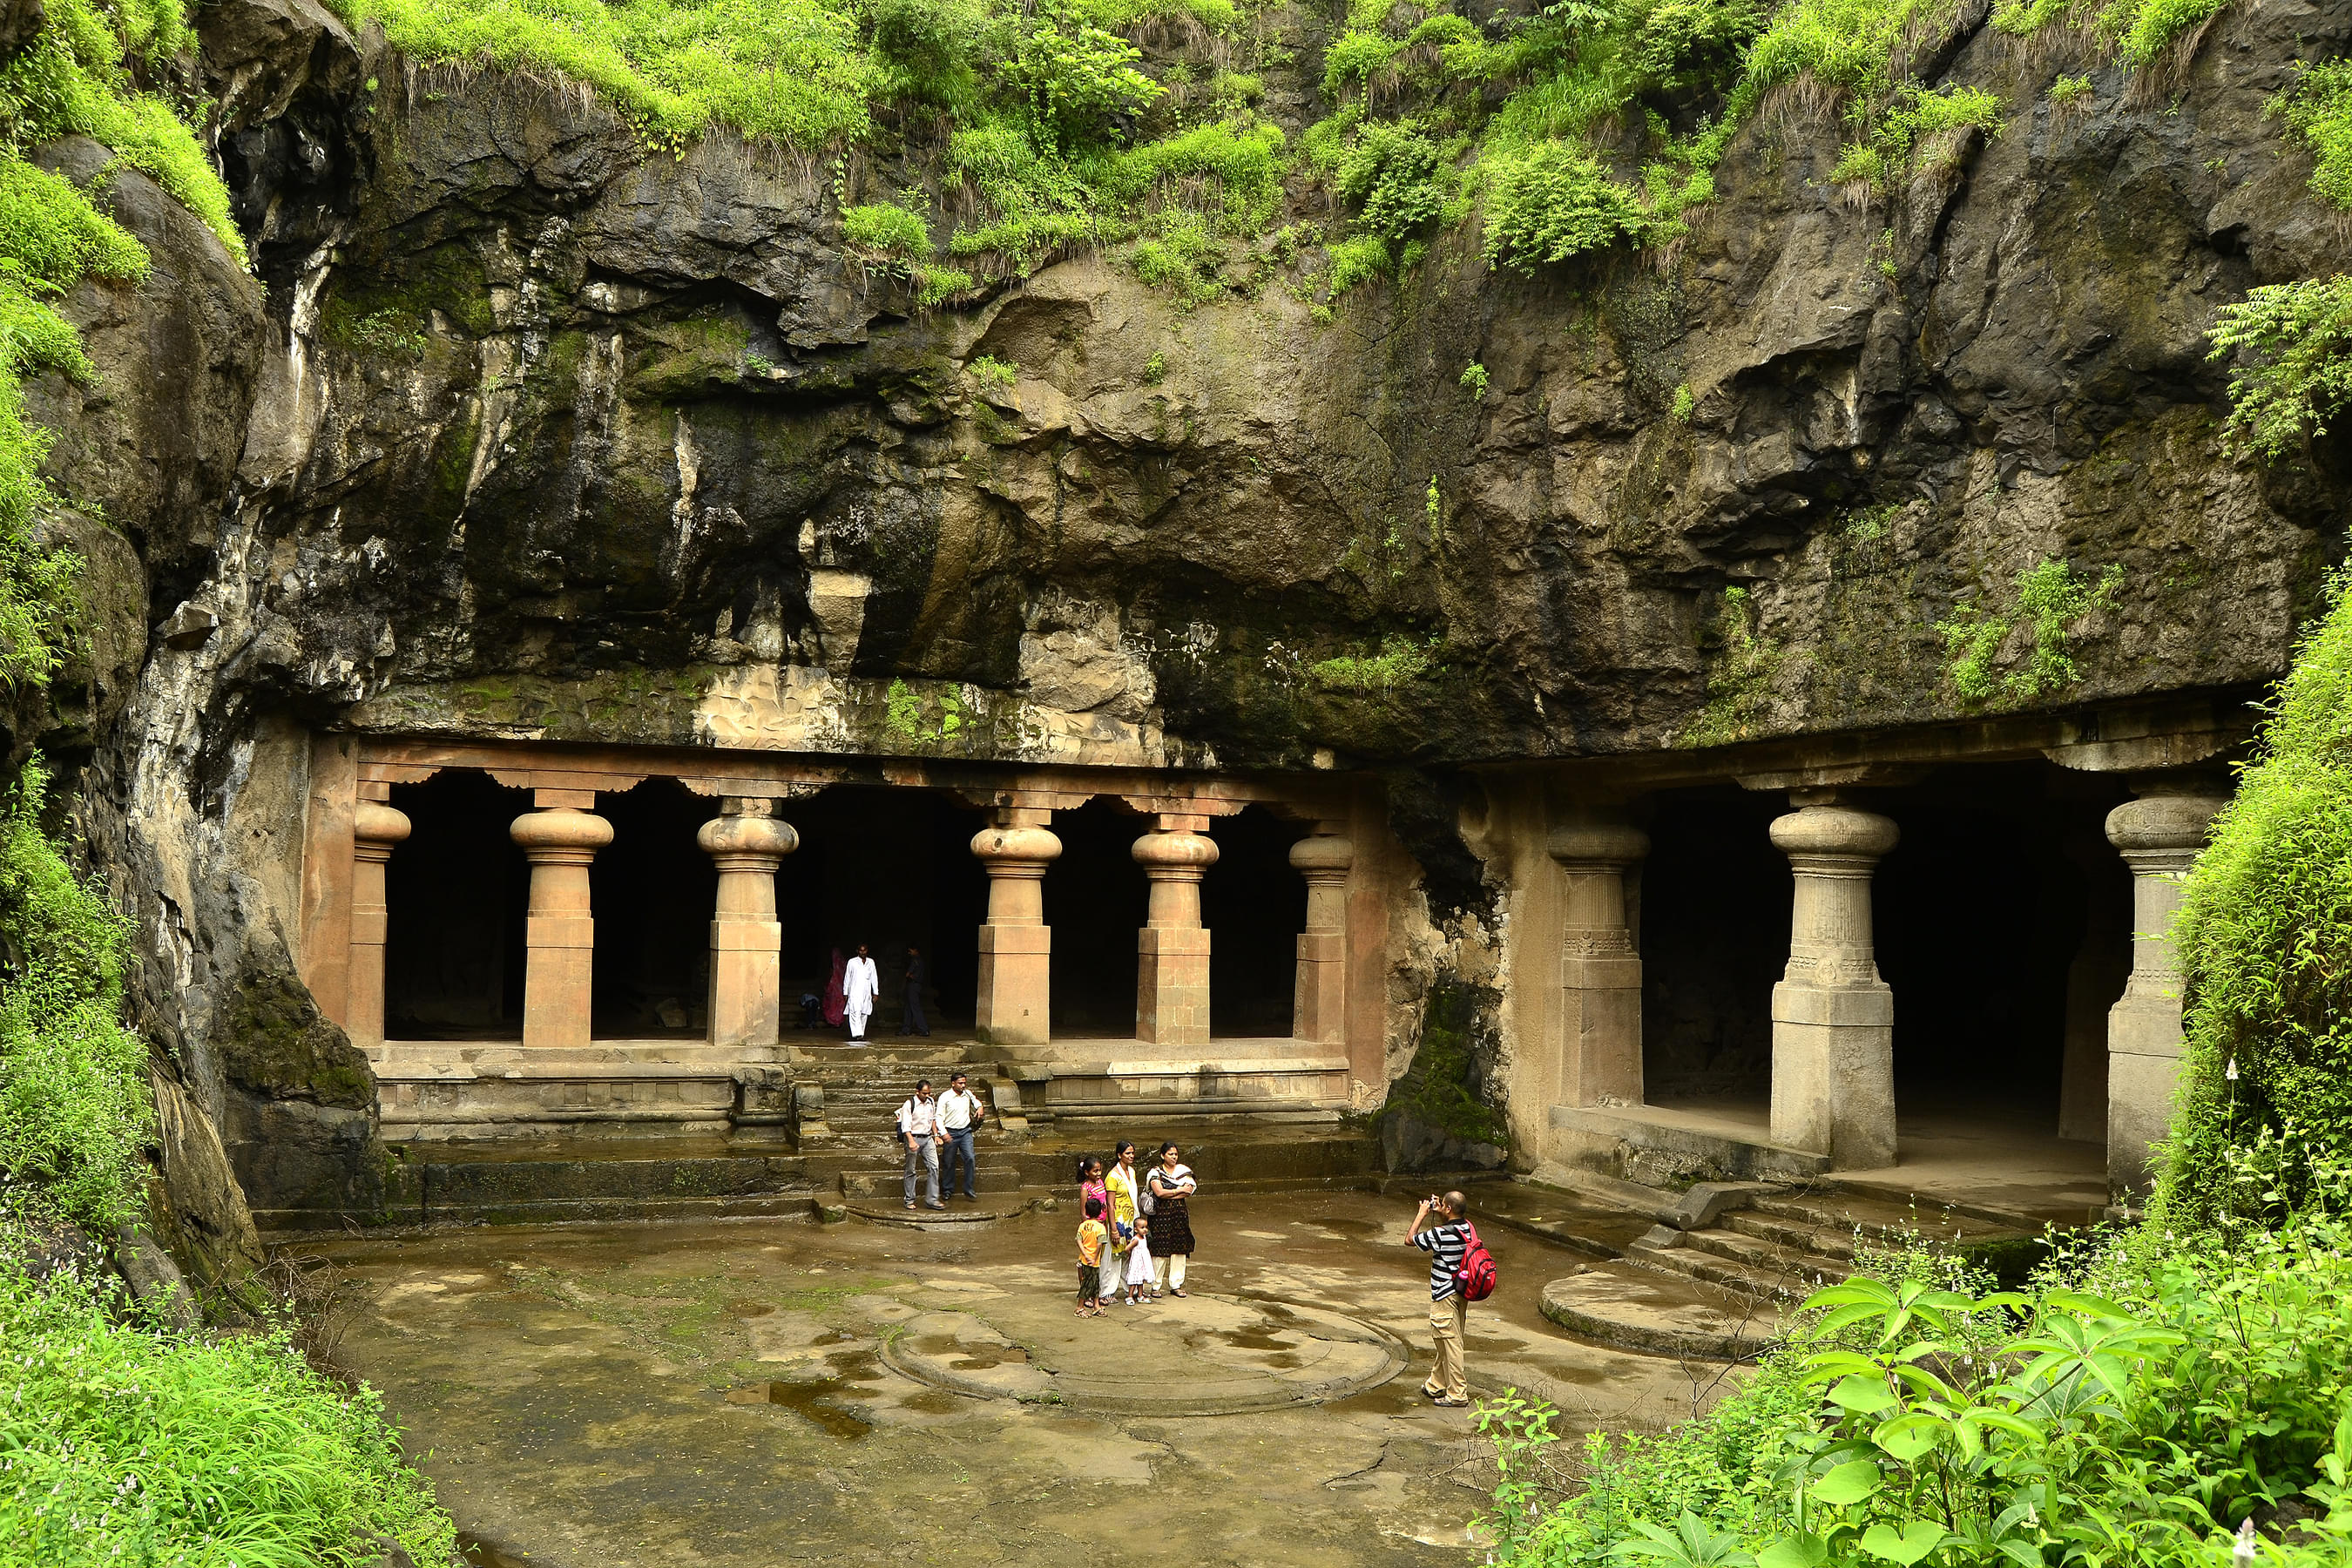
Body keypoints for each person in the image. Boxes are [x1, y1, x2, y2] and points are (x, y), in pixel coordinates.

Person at [1407, 1189, 1474, 1407]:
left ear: (1448, 1209)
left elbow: (1410, 1239)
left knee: (1449, 1343)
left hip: (1444, 1294)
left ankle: (1457, 1394)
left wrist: (1422, 1214)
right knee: (1448, 1340)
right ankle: (1436, 1384)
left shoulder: (1441, 1234)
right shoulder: (1468, 1228)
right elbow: (1449, 1224)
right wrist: (1440, 1211)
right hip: (1461, 1292)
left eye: (1443, 1205)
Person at [1146, 1142, 1197, 1299]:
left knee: (1179, 1248)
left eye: (1175, 1154)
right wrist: (1178, 1189)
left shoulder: (1184, 1170)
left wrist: (1173, 1192)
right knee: (1160, 1248)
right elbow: (1159, 1192)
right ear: (1162, 1155)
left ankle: (1176, 1284)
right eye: (1170, 1154)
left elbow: (1188, 1191)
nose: (1174, 1157)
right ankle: (1155, 1285)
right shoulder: (1155, 1172)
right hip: (1160, 1215)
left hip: (1179, 1214)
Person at [895, 1078, 945, 1211]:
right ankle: (909, 1199)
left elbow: (932, 1120)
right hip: (913, 1137)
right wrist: (911, 1141)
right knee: (911, 1169)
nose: (927, 1096)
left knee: (934, 1166)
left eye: (929, 1093)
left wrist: (936, 1136)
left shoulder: (930, 1102)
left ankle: (932, 1199)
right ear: (917, 1092)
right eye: (924, 1093)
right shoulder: (909, 1104)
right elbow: (906, 1125)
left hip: (927, 1137)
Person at [936, 1071, 985, 1201]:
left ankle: (969, 1188)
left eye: (964, 1083)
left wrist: (980, 1107)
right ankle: (947, 1190)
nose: (963, 1085)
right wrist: (943, 1133)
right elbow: (939, 1116)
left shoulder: (967, 1094)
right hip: (950, 1132)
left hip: (965, 1131)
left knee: (970, 1157)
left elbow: (976, 1101)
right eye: (960, 1083)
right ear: (953, 1083)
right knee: (948, 1162)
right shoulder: (945, 1097)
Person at [1103, 1142, 1141, 1306]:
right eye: (1127, 1153)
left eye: (1132, 1153)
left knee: (1128, 1255)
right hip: (1118, 1221)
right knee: (1114, 1257)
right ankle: (1107, 1291)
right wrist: (1113, 1228)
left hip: (1130, 1220)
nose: (1131, 1156)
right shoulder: (1112, 1177)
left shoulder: (1131, 1172)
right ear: (1119, 1155)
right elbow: (1110, 1204)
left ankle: (1128, 1288)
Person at [1076, 1197, 1107, 1317]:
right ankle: (1079, 1308)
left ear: (1087, 1211)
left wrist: (1085, 1254)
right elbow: (1099, 1245)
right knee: (1087, 1284)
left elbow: (1079, 1241)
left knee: (1094, 1283)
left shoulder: (1083, 1226)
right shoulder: (1101, 1228)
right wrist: (1093, 1258)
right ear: (1100, 1212)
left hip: (1085, 1260)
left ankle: (1096, 1305)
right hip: (1094, 1261)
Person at [844, 944, 880, 1041]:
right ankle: (857, 1034)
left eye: (864, 950)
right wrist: (845, 992)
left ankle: (861, 1034)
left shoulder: (871, 962)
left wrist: (875, 992)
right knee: (855, 1012)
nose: (863, 952)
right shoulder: (852, 962)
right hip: (854, 992)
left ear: (867, 951)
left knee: (864, 1013)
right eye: (861, 950)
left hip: (866, 992)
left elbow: (874, 977)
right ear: (857, 951)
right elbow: (847, 977)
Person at [1123, 1212, 1154, 1306]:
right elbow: (1127, 1248)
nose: (1145, 1230)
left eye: (1146, 1227)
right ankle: (1130, 1296)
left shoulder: (1144, 1238)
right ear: (1136, 1230)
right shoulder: (1136, 1240)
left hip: (1143, 1262)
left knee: (1141, 1279)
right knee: (1134, 1280)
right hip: (1137, 1262)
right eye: (1142, 1228)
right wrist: (1132, 1255)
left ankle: (1140, 1295)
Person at [899, 946, 931, 1037]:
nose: (909, 953)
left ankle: (924, 1029)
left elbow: (908, 974)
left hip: (913, 985)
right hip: (916, 985)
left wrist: (909, 976)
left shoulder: (915, 960)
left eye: (910, 951)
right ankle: (906, 1029)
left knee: (915, 1008)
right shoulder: (920, 961)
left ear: (916, 950)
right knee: (908, 1007)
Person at [821, 948, 847, 1029]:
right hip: (835, 987)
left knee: (837, 1004)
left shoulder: (842, 966)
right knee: (833, 1004)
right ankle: (834, 1021)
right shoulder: (838, 966)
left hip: (838, 987)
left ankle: (836, 1021)